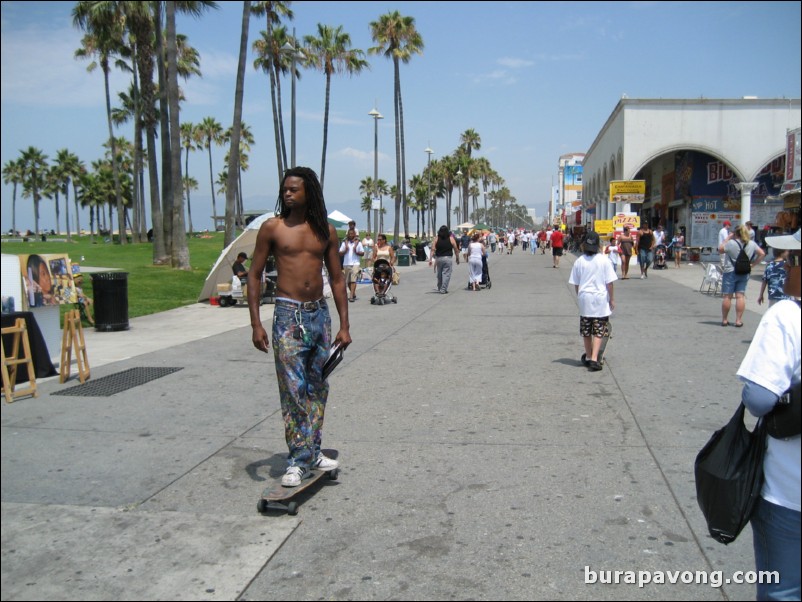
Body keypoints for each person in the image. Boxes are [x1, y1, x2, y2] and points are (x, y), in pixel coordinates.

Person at [247, 166, 350, 487]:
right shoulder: (272, 228)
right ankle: (297, 458)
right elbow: (254, 274)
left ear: (309, 193)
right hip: (287, 316)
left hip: (319, 315)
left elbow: (336, 278)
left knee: (317, 387)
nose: (287, 194)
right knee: (293, 390)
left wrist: (344, 325)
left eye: (294, 189)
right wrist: (255, 324)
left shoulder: (325, 232)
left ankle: (313, 449)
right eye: (285, 189)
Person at [737, 228, 800, 601]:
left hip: (790, 491)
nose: (785, 266)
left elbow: (758, 399)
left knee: (784, 591)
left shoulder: (788, 317)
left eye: (791, 259)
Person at [568, 231, 617, 372]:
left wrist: (580, 296)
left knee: (586, 330)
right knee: (599, 330)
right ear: (598, 245)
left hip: (585, 299)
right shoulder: (604, 261)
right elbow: (610, 283)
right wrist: (612, 299)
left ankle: (588, 356)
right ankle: (595, 358)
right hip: (600, 299)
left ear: (584, 245)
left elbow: (576, 283)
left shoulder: (579, 261)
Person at [719, 224, 766, 327]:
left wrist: (727, 238)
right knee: (740, 296)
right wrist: (753, 264)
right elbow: (762, 253)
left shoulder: (731, 243)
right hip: (744, 271)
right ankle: (738, 320)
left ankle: (725, 320)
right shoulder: (752, 244)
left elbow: (720, 249)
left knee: (727, 296)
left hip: (730, 271)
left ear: (736, 233)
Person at [428, 225, 460, 294]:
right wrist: (457, 258)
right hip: (447, 258)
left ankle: (440, 287)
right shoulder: (451, 238)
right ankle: (443, 289)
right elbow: (456, 249)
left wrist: (430, 259)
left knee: (439, 274)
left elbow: (433, 249)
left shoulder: (436, 238)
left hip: (439, 259)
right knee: (446, 274)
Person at [339, 228, 364, 302]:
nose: (350, 235)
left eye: (352, 234)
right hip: (346, 263)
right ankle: (353, 293)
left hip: (355, 263)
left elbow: (362, 253)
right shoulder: (345, 243)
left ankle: (350, 296)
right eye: (349, 234)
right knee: (348, 281)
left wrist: (356, 251)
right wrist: (345, 250)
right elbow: (340, 253)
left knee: (353, 280)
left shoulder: (358, 243)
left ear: (354, 234)